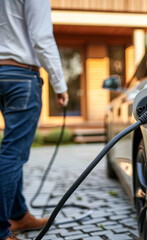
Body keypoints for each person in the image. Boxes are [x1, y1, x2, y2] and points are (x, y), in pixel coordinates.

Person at [0, 1, 68, 239]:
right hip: (20, 76)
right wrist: (59, 84)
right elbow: (42, 37)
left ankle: (18, 215)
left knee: (11, 149)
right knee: (13, 153)